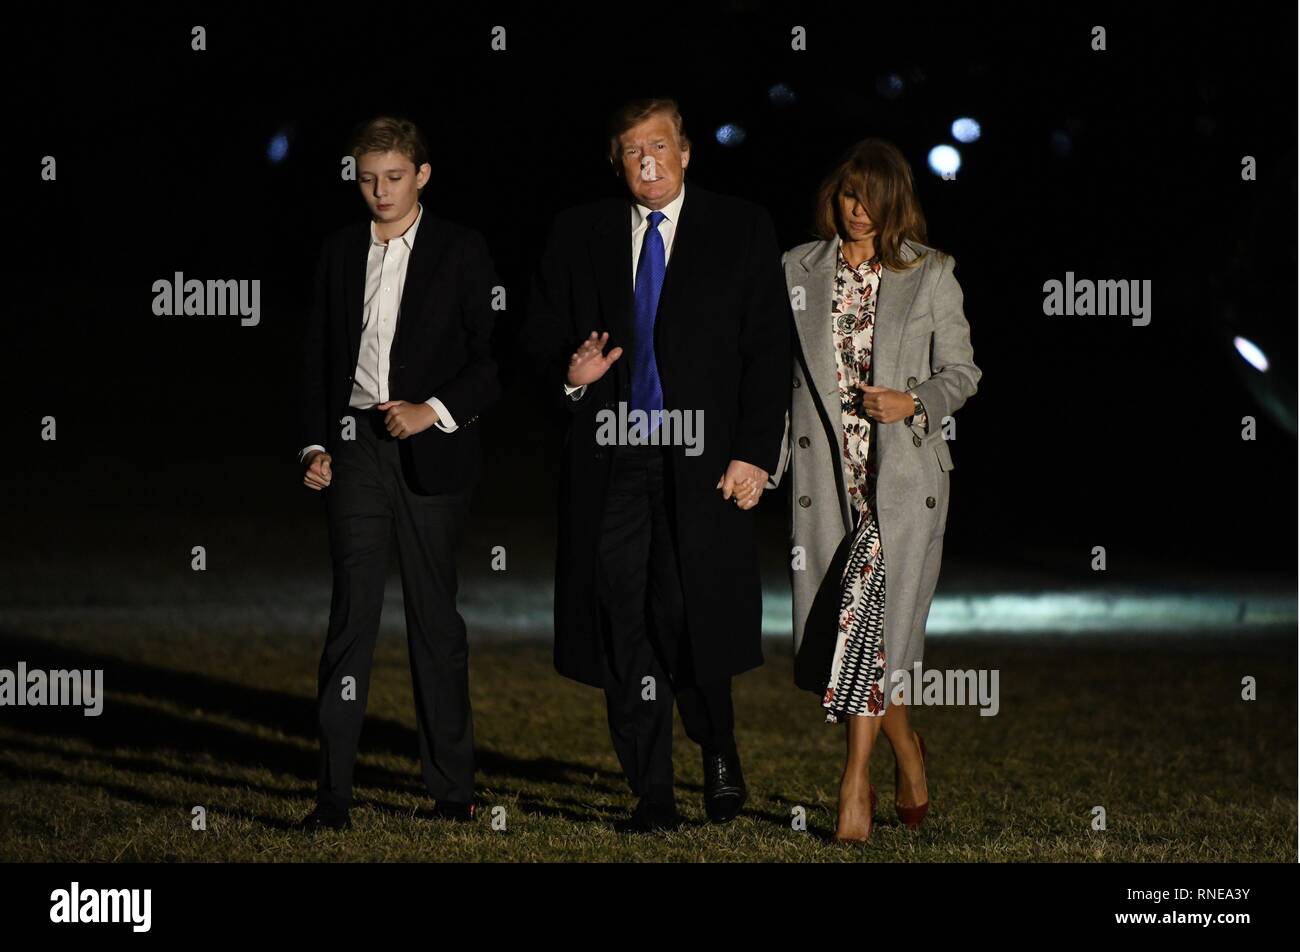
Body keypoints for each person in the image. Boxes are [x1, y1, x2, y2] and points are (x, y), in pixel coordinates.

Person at [521, 98, 791, 831]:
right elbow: (538, 332)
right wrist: (572, 375)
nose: (647, 160)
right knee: (622, 619)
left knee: (686, 611)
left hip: (703, 461)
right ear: (617, 161)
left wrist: (753, 453)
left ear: (687, 152)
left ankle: (717, 747)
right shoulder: (580, 233)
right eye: (633, 149)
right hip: (611, 457)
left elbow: (769, 352)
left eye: (660, 145)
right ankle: (653, 792)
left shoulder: (741, 227)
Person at [769, 138, 980, 841]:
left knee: (867, 627)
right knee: (859, 637)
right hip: (828, 482)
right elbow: (778, 387)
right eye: (848, 196)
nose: (857, 212)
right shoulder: (796, 269)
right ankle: (905, 749)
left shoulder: (931, 274)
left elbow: (963, 373)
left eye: (872, 200)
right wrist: (762, 468)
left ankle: (853, 782)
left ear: (895, 206)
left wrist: (914, 402)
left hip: (903, 482)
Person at [296, 116, 501, 831]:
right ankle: (332, 795)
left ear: (422, 175)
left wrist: (432, 410)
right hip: (354, 449)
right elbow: (317, 357)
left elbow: (490, 363)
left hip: (430, 452)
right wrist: (313, 445)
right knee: (350, 619)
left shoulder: (462, 251)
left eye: (392, 177)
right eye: (366, 178)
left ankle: (452, 790)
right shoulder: (338, 251)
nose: (378, 192)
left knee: (434, 622)